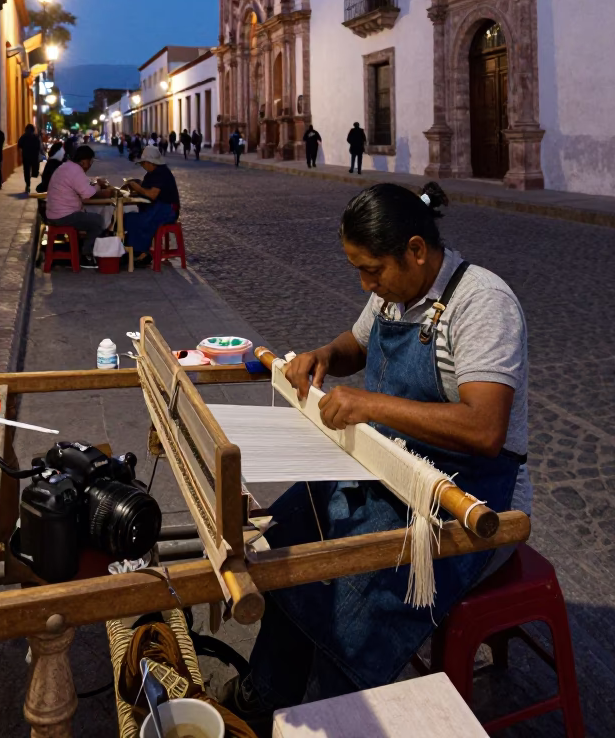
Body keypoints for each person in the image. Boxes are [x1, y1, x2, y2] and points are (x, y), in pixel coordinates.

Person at [224, 182, 530, 725]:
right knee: (288, 541)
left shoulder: (482, 302)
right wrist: (322, 355)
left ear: (416, 250)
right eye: (359, 272)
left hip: (468, 502)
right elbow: (356, 345)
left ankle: (331, 716)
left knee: (349, 594)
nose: (367, 285)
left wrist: (373, 404)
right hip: (392, 472)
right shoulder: (394, 292)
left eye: (372, 270)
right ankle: (266, 694)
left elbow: (485, 429)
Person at [45, 146, 116, 269]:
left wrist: (95, 185)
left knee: (90, 215)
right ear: (83, 161)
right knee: (97, 220)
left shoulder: (67, 167)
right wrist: (99, 187)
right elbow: (88, 194)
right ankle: (86, 254)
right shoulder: (75, 170)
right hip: (62, 215)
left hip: (54, 213)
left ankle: (84, 247)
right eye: (90, 162)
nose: (90, 165)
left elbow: (83, 185)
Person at [123, 145, 180, 267]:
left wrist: (137, 188)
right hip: (157, 208)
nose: (143, 166)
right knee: (130, 218)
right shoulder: (152, 174)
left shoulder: (161, 173)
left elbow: (152, 194)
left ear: (150, 162)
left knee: (137, 221)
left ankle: (141, 253)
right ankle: (137, 251)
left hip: (167, 210)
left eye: (144, 163)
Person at [18, 124, 41, 194]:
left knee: (26, 171)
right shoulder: (36, 137)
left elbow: (19, 145)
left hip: (26, 156)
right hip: (34, 157)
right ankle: (32, 177)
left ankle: (28, 184)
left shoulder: (23, 137)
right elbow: (38, 147)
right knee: (34, 170)